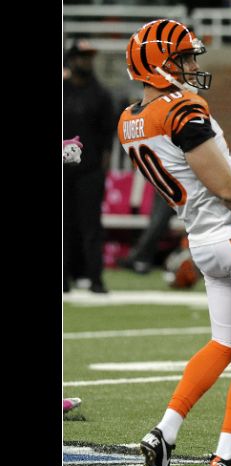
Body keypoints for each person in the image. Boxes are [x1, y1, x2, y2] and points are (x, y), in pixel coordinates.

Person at [119, 19, 231, 466]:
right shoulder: (181, 110)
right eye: (184, 58)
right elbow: (227, 188)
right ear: (158, 64)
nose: (193, 66)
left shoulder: (131, 120)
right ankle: (228, 454)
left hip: (202, 238)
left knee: (225, 341)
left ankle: (165, 431)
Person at [63, 39, 115, 294]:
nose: (86, 62)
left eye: (89, 57)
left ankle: (95, 277)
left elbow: (108, 137)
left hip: (89, 170)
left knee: (91, 225)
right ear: (71, 60)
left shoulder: (100, 95)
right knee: (64, 223)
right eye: (82, 57)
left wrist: (100, 168)